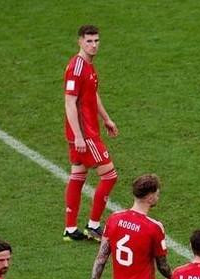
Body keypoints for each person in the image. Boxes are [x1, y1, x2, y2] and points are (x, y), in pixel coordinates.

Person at [63, 24, 120, 242]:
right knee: (110, 175)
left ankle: (69, 229)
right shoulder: (77, 67)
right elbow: (69, 102)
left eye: (96, 41)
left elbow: (92, 95)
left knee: (78, 175)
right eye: (89, 41)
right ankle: (93, 225)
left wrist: (106, 119)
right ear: (79, 41)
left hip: (86, 130)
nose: (94, 45)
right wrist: (78, 135)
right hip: (85, 133)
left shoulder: (88, 66)